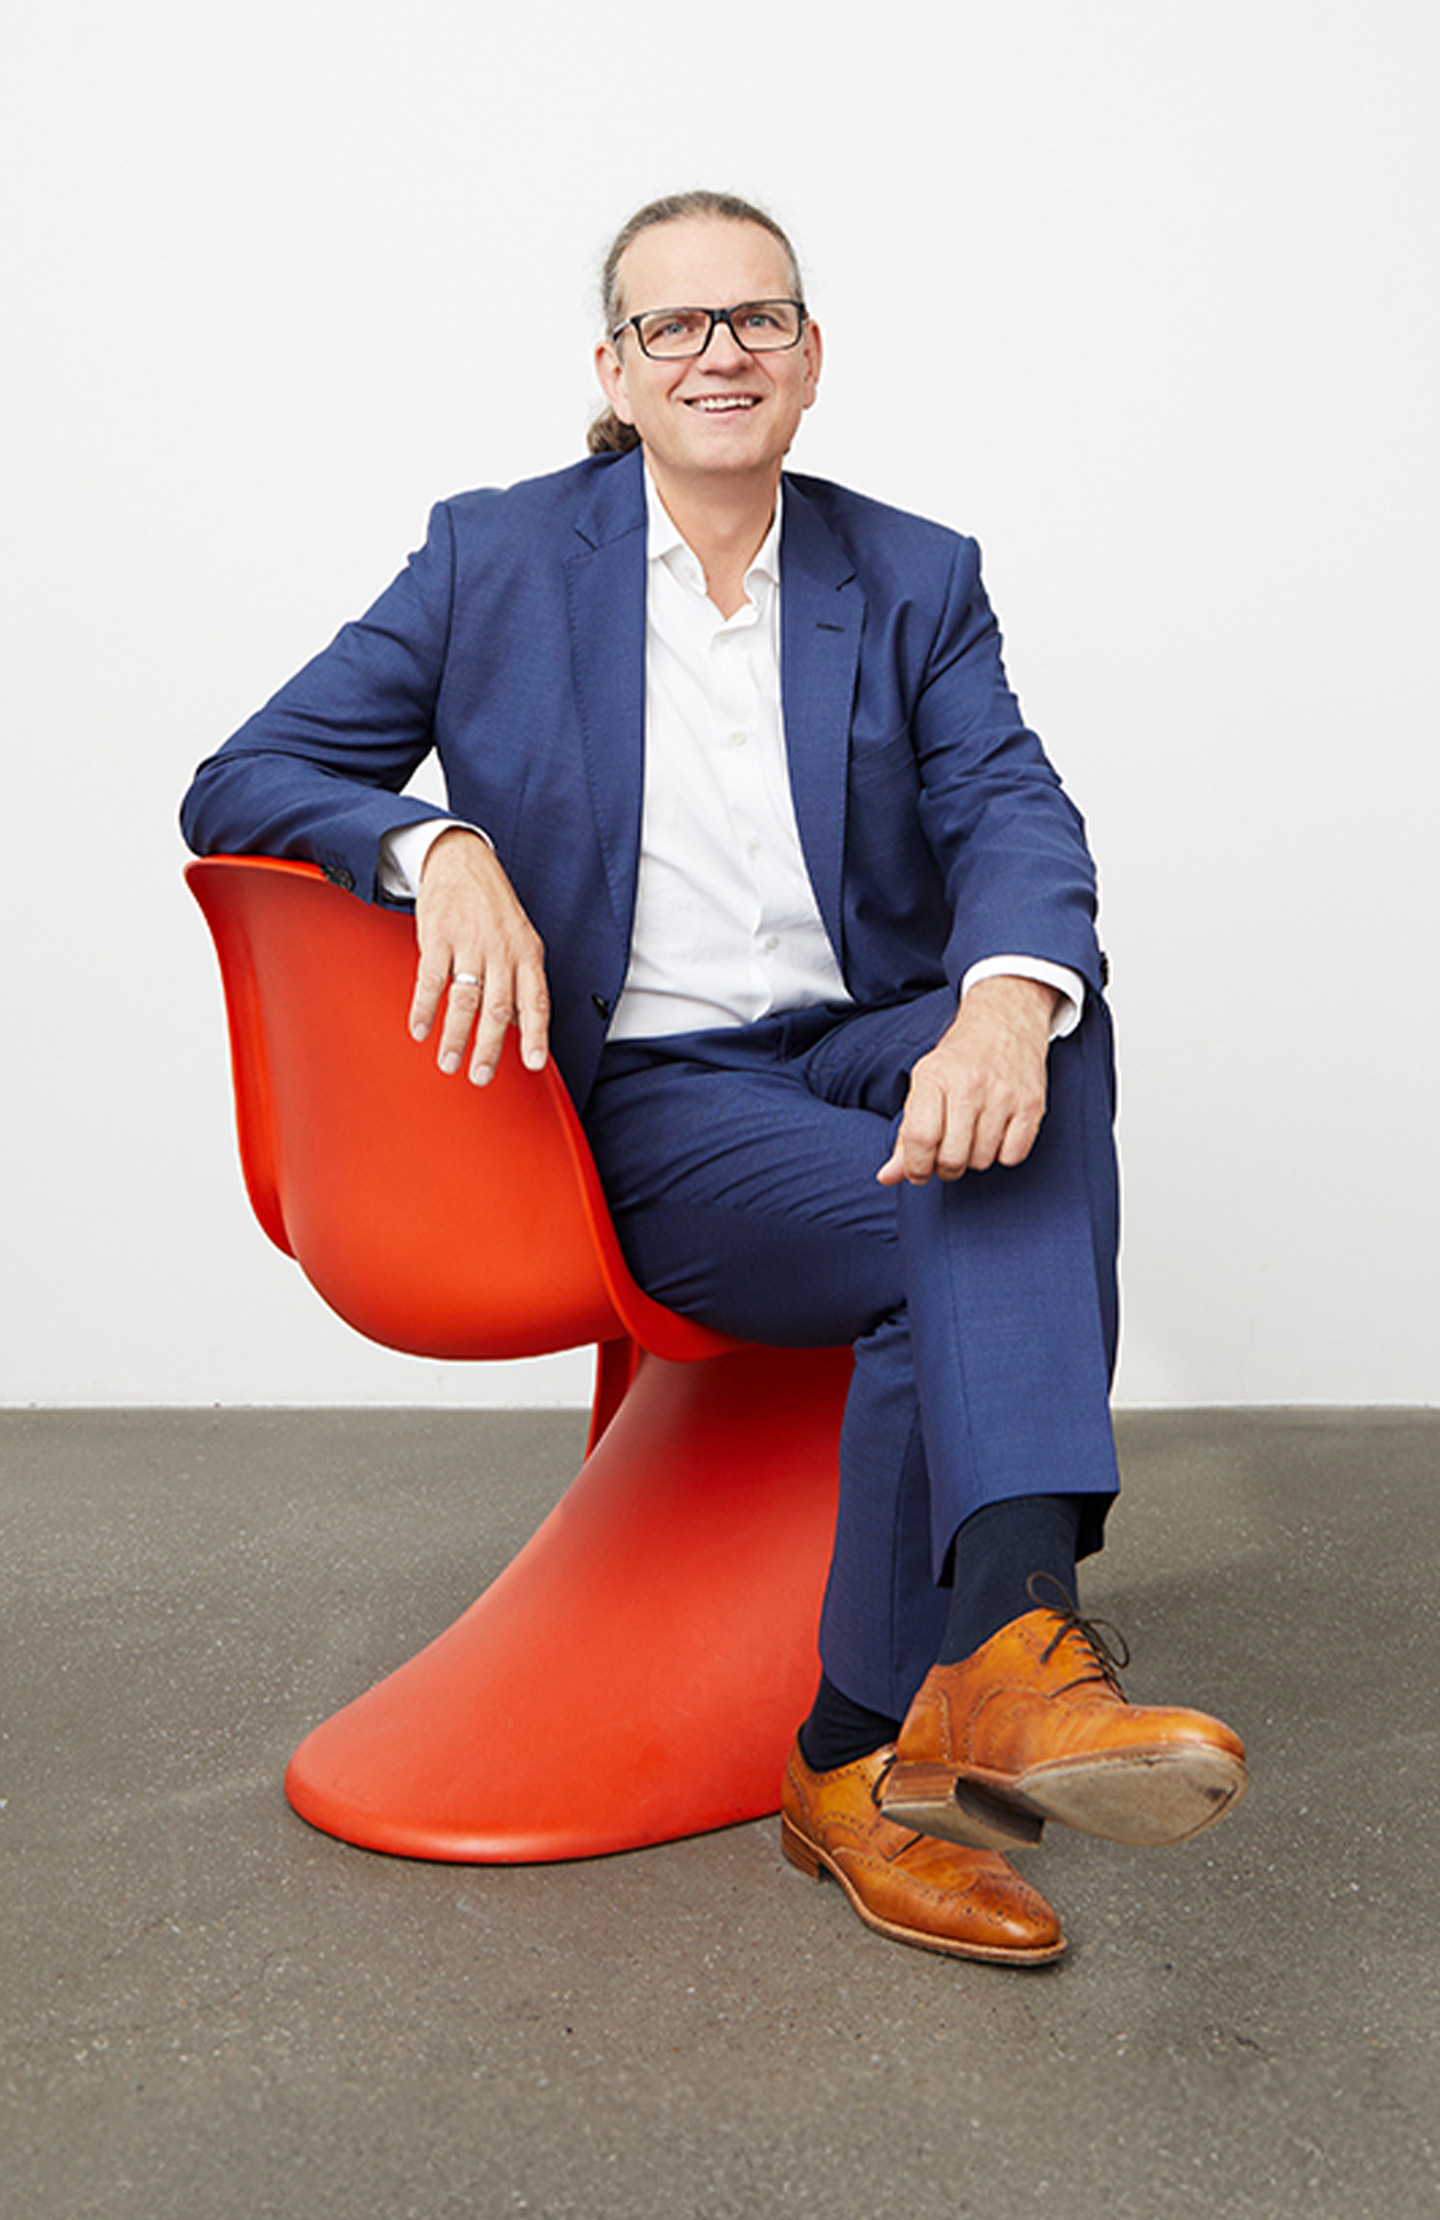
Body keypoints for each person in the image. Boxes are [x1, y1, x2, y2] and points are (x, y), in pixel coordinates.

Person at [182, 188, 1246, 1966]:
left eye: (757, 319)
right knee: (958, 1212)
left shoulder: (914, 572)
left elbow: (1012, 806)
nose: (718, 353)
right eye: (672, 325)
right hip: (657, 1096)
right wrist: (434, 845)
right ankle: (940, 1696)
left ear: (812, 360)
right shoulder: (494, 557)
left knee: (1049, 1026)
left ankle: (946, 1693)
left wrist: (1001, 1004)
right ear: (615, 369)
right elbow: (245, 772)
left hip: (861, 1035)